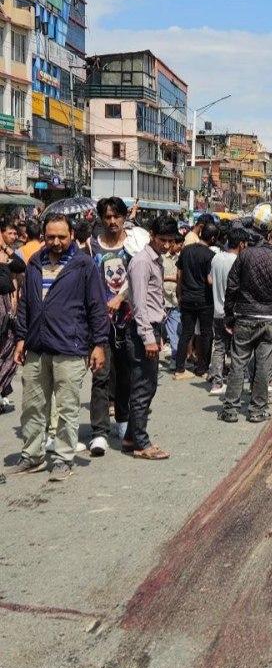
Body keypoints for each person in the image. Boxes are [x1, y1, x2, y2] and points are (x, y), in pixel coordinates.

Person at [14, 214, 107, 482]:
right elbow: (25, 305)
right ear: (43, 235)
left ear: (71, 236)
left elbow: (97, 308)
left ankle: (64, 457)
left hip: (70, 346)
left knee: (67, 408)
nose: (56, 242)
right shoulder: (33, 263)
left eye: (62, 237)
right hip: (36, 346)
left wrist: (99, 344)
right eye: (51, 236)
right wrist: (21, 338)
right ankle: (31, 455)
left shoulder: (83, 265)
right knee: (32, 405)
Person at [220, 223, 272, 424]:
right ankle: (257, 409)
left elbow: (232, 287)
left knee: (238, 363)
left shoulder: (245, 255)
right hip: (269, 319)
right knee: (264, 365)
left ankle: (230, 410)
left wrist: (229, 316)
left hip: (244, 316)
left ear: (270, 236)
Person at [125, 215, 179, 459]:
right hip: (142, 332)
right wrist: (148, 336)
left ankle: (130, 437)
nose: (167, 245)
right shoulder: (142, 262)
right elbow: (138, 304)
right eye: (163, 240)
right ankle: (141, 444)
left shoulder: (155, 260)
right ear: (152, 236)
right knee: (143, 387)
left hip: (153, 329)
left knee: (148, 385)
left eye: (170, 240)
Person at [87, 197, 133, 458]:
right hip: (100, 324)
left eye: (116, 216)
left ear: (124, 217)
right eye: (107, 216)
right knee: (100, 376)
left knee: (125, 374)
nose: (112, 221)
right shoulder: (92, 247)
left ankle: (123, 421)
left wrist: (120, 298)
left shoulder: (134, 245)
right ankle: (99, 433)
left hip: (128, 321)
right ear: (101, 219)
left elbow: (140, 276)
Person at [174, 221, 216, 379]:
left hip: (186, 297)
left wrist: (179, 293)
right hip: (204, 299)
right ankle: (201, 369)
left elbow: (179, 274)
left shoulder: (186, 250)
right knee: (205, 334)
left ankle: (179, 369)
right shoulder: (210, 256)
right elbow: (209, 280)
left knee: (186, 333)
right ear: (212, 238)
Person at [208, 227, 247, 395]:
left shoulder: (216, 258)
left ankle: (216, 383)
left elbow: (209, 279)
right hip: (234, 312)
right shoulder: (238, 261)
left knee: (219, 347)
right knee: (239, 349)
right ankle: (236, 381)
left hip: (217, 310)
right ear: (241, 244)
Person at [0, 217, 27, 413]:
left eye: (15, 234)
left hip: (7, 307)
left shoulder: (7, 253)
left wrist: (6, 249)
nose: (14, 237)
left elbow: (20, 265)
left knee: (9, 346)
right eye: (10, 233)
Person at [162, 230, 184, 364]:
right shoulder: (161, 258)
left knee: (176, 332)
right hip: (162, 300)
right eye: (179, 244)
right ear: (172, 244)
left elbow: (180, 278)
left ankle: (175, 359)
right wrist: (173, 278)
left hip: (174, 300)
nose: (180, 247)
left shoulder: (179, 259)